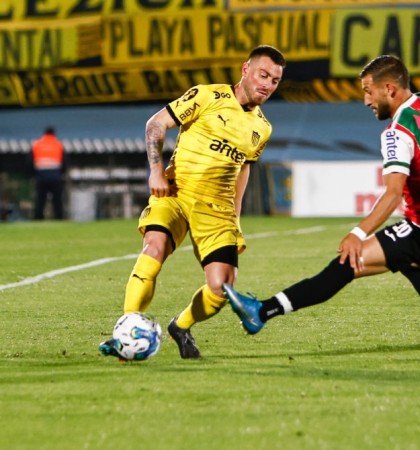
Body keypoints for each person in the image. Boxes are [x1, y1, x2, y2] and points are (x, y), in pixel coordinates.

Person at [223, 54, 420, 361]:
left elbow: (392, 194)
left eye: (369, 91)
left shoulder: (397, 133)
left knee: (346, 264)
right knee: (416, 264)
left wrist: (358, 233)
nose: (365, 101)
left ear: (390, 89)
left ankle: (261, 312)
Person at [99, 45, 286, 359]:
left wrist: (236, 218)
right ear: (245, 69)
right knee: (154, 249)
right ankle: (126, 329)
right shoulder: (207, 96)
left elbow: (243, 171)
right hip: (176, 192)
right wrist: (156, 170)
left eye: (275, 80)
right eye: (263, 74)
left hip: (216, 210)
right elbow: (155, 124)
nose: (267, 84)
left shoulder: (262, 129)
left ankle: (181, 326)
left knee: (220, 287)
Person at [32, 127, 65, 220]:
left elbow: (30, 162)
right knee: (57, 199)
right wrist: (61, 173)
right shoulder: (58, 144)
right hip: (55, 175)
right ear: (54, 134)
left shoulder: (37, 144)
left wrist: (33, 174)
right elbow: (64, 162)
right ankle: (59, 218)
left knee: (40, 199)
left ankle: (38, 218)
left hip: (41, 175)